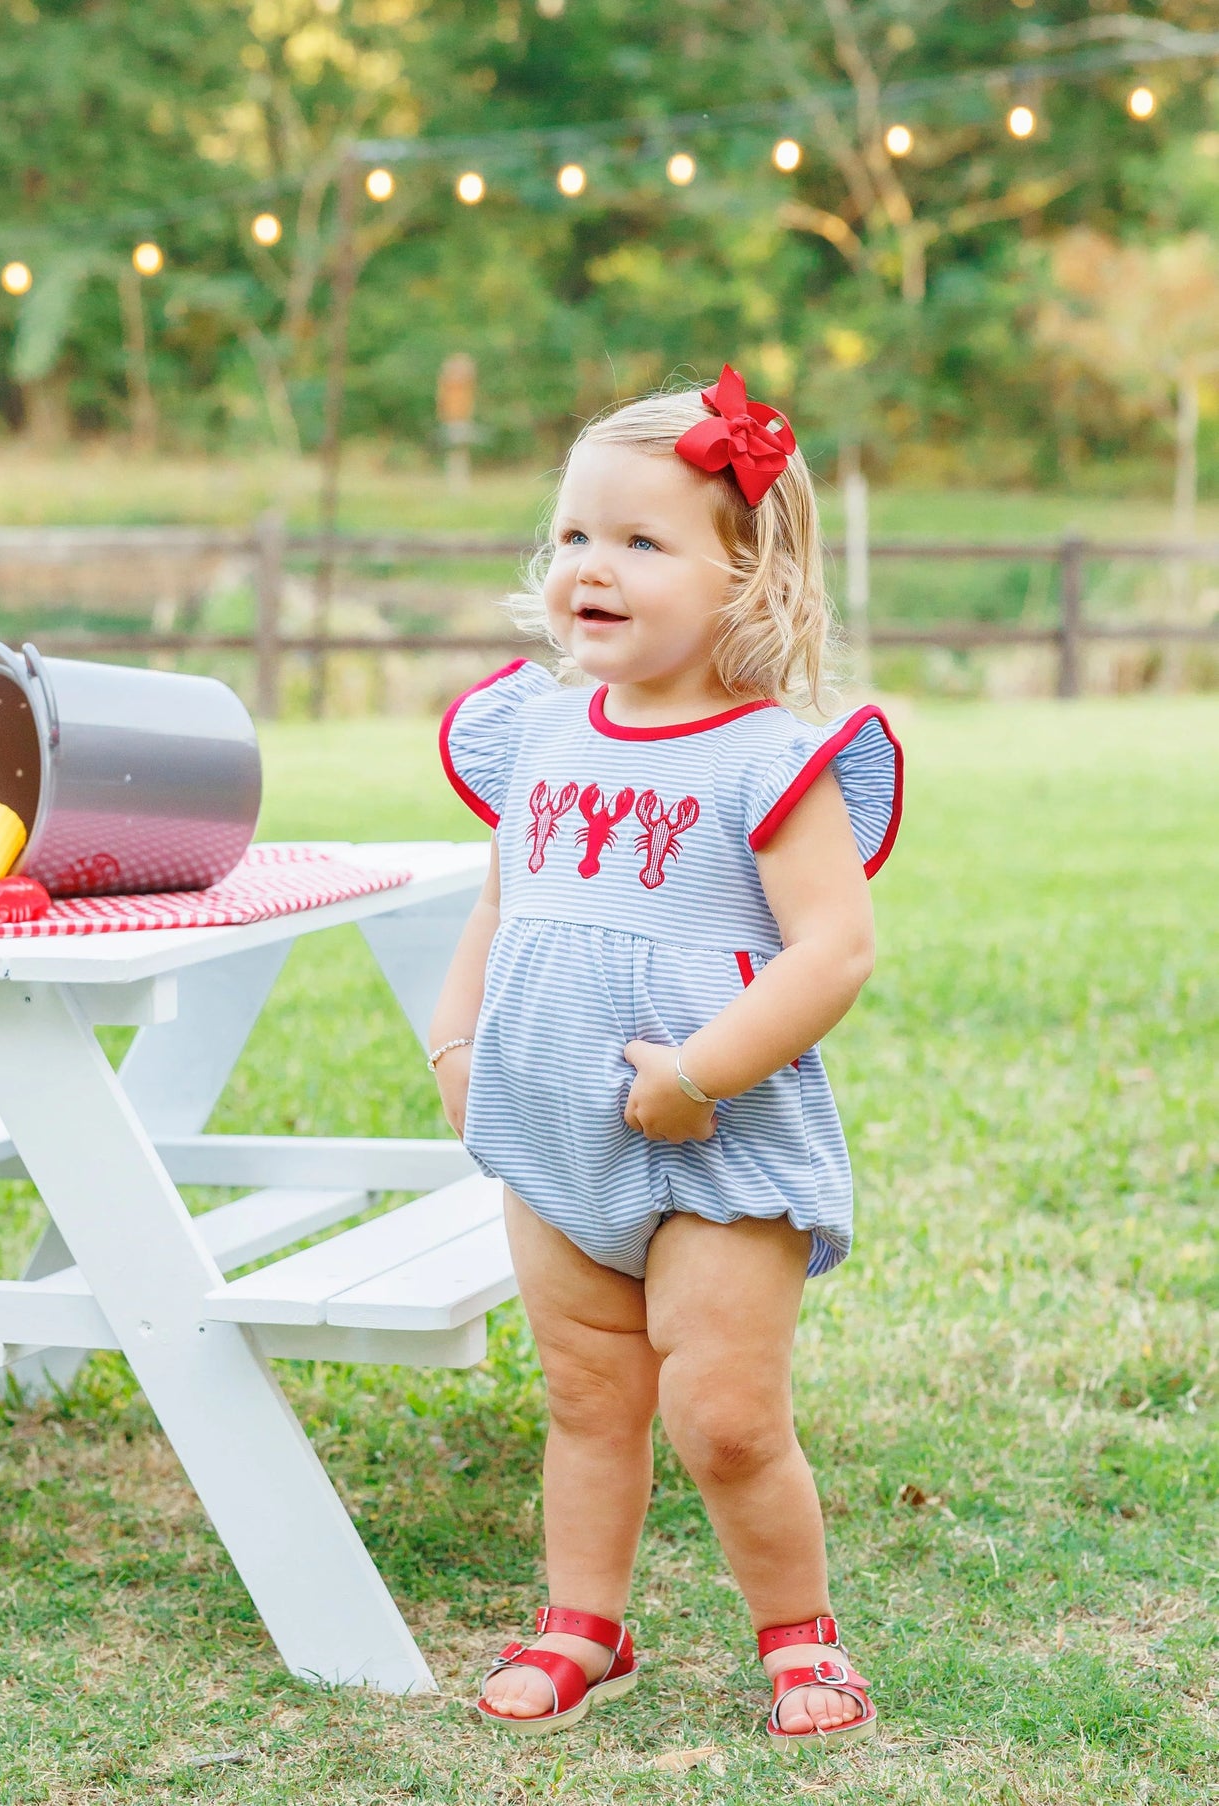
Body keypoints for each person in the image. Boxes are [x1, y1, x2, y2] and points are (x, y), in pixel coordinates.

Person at [425, 367, 903, 1747]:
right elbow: (501, 901)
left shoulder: (768, 759)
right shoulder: (535, 730)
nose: (592, 565)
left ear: (748, 577)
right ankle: (584, 1619)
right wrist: (457, 1041)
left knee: (724, 1410)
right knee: (586, 1392)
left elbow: (833, 951)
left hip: (717, 1132)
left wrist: (696, 1074)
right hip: (554, 1124)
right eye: (576, 533)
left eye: (641, 541)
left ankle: (799, 1634)